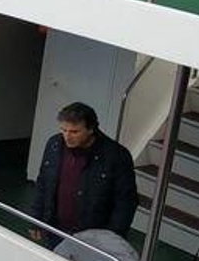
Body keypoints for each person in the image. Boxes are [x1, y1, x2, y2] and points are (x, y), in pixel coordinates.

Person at [29, 102, 138, 241]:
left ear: (91, 128)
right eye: (63, 130)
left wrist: (112, 238)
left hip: (92, 237)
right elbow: (43, 183)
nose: (67, 137)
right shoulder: (54, 144)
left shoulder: (116, 156)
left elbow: (126, 202)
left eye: (74, 132)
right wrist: (35, 218)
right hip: (55, 230)